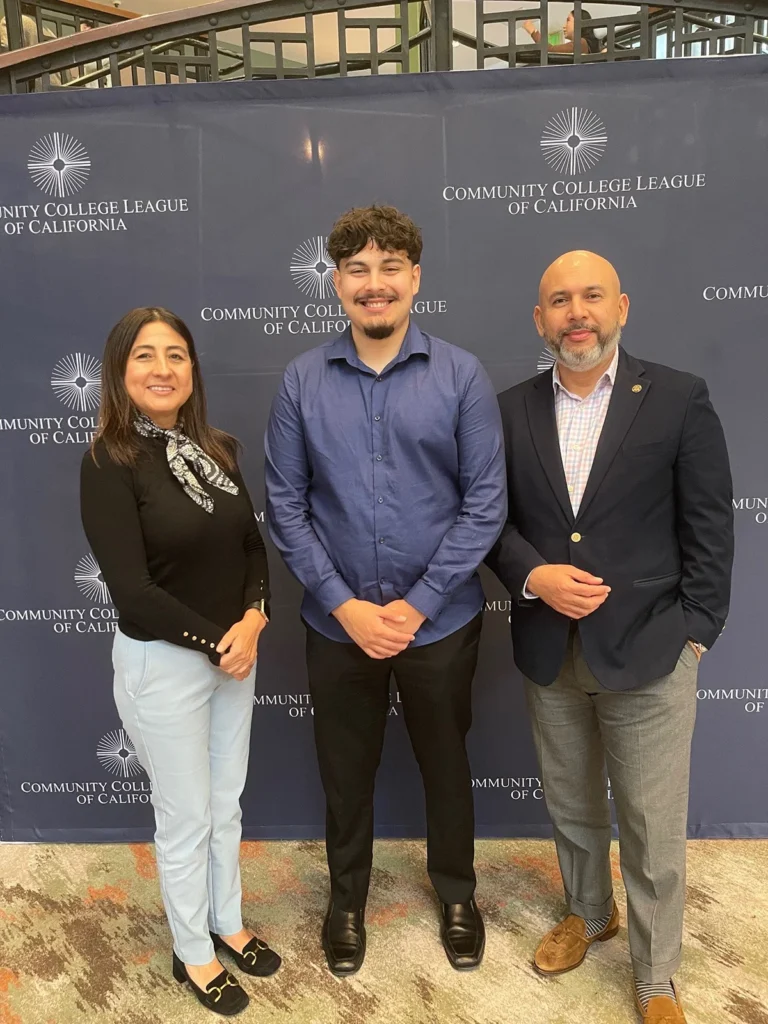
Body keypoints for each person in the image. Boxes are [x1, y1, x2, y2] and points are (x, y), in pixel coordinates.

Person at [485, 251, 733, 1024]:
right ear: (540, 320)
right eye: (559, 300)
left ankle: (656, 977)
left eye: (591, 295)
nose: (576, 312)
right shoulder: (508, 409)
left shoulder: (679, 398)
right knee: (571, 804)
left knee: (653, 825)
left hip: (654, 651)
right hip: (548, 650)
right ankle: (589, 915)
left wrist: (697, 631)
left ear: (621, 306)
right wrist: (535, 577)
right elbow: (492, 522)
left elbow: (709, 525)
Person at [265, 205, 506, 976]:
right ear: (337, 284)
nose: (376, 285)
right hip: (339, 627)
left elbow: (485, 504)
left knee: (446, 762)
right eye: (359, 271)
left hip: (441, 622)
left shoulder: (461, 375)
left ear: (415, 279)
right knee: (346, 768)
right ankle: (345, 901)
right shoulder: (302, 381)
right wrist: (345, 604)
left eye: (390, 268)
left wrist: (417, 604)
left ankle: (458, 894)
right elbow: (286, 507)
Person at [80, 307, 281, 1017]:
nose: (163, 368)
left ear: (192, 371)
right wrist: (220, 642)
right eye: (144, 356)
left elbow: (254, 549)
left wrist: (255, 620)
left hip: (236, 654)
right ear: (119, 371)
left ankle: (227, 920)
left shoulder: (216, 451)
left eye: (176, 355)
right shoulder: (108, 460)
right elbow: (133, 591)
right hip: (165, 666)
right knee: (187, 817)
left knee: (225, 804)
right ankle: (192, 948)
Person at [523, 8, 601, 54]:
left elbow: (550, 50)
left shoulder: (581, 43)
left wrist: (533, 31)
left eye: (568, 20)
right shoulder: (587, 44)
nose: (564, 26)